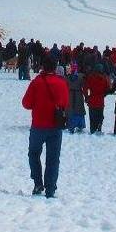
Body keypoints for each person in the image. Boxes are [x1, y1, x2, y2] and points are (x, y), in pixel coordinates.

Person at [21, 55, 68, 198]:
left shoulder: (36, 83)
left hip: (38, 125)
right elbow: (65, 103)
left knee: (34, 154)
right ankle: (50, 189)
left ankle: (37, 183)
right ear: (55, 67)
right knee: (53, 158)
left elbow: (26, 104)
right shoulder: (61, 83)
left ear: (42, 66)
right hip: (55, 126)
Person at [83, 64, 110, 135]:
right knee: (100, 116)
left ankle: (92, 130)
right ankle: (99, 128)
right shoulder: (104, 78)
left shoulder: (91, 77)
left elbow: (85, 88)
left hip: (92, 100)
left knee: (92, 117)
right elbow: (107, 89)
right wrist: (104, 95)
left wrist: (86, 97)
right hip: (100, 101)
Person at [66, 67, 86, 133]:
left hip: (70, 95)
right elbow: (84, 86)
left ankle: (71, 126)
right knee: (79, 109)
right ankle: (80, 125)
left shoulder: (67, 77)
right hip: (78, 95)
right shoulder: (81, 77)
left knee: (71, 110)